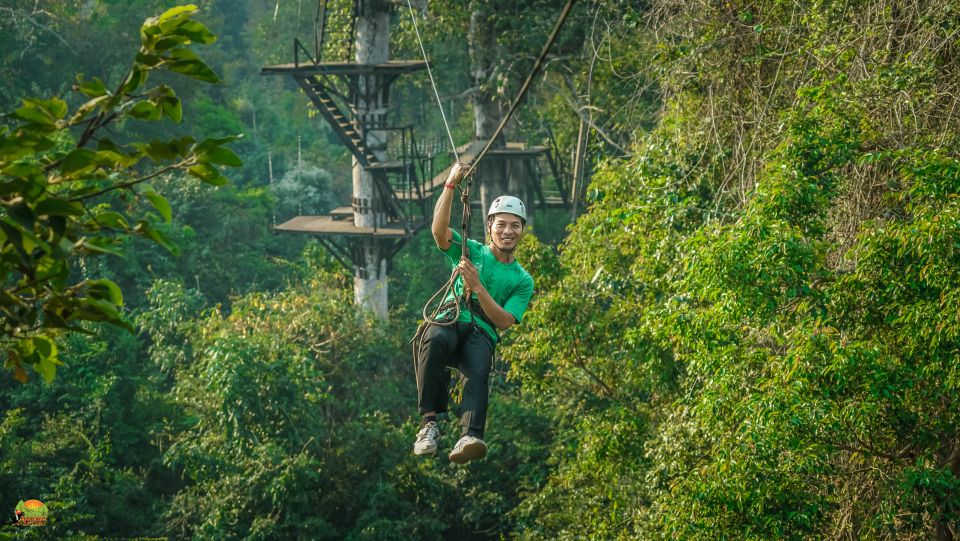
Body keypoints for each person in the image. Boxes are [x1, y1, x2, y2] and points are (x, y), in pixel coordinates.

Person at [413, 162, 535, 464]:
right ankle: (429, 422)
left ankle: (470, 434)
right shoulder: (472, 250)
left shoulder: (522, 279)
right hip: (453, 317)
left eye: (514, 226)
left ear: (522, 231)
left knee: (479, 369)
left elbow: (505, 321)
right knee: (433, 337)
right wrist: (450, 185)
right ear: (489, 226)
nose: (508, 231)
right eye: (501, 225)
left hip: (481, 330)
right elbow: (439, 231)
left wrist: (478, 287)